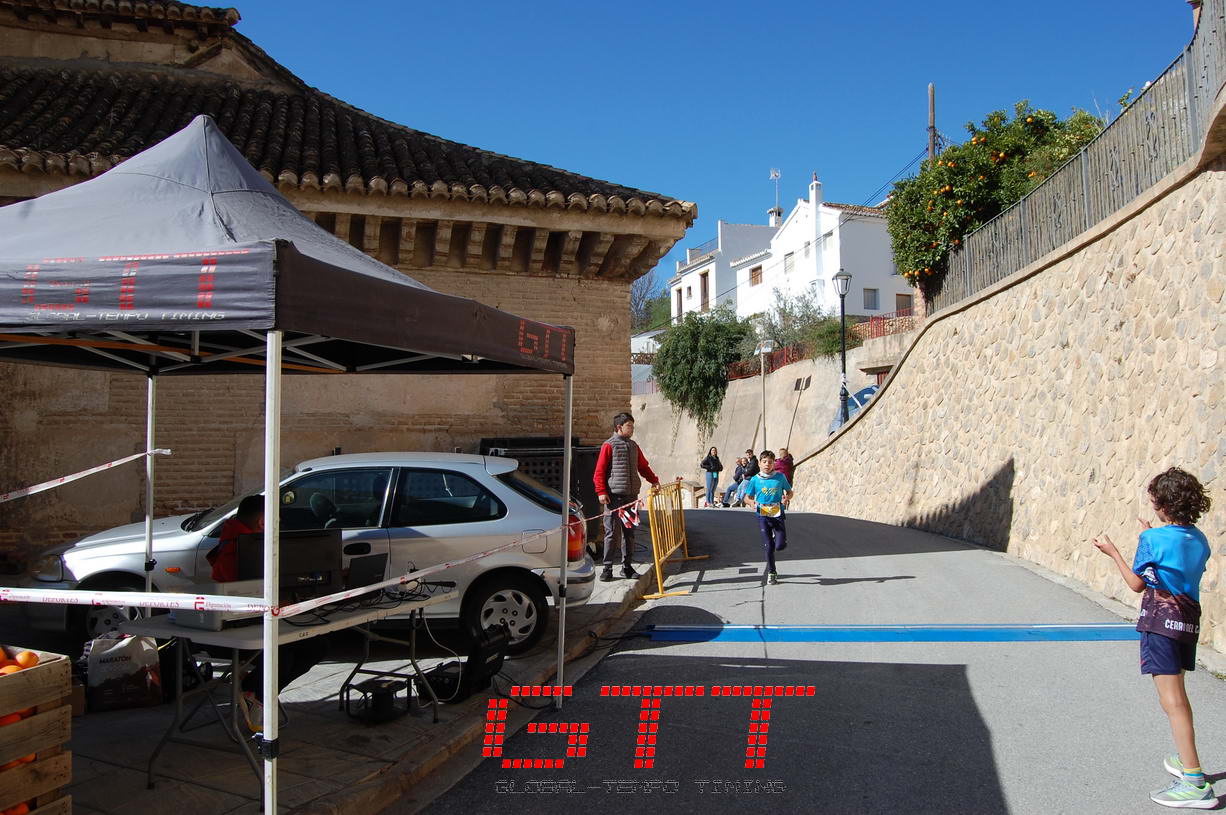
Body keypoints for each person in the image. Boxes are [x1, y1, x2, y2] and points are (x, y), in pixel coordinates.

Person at [1092, 467, 1216, 809]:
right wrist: (1152, 535)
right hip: (1187, 622)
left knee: (1172, 701)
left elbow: (1137, 584)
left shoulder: (1152, 541)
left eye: (1154, 501)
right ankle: (1186, 758)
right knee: (1177, 697)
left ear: (1163, 504)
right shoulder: (1200, 539)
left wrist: (1113, 552)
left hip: (1160, 624)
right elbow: (1177, 564)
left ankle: (1194, 782)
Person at [207, 496, 328, 731]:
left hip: (261, 619)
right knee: (282, 656)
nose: (279, 524)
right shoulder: (238, 549)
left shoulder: (251, 542)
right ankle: (257, 694)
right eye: (276, 519)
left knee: (316, 646)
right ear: (263, 522)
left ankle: (255, 690)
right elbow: (246, 594)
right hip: (235, 627)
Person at [593, 412, 660, 581]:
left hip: (631, 497)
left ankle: (627, 567)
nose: (632, 429)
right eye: (629, 426)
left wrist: (654, 480)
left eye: (632, 426)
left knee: (629, 533)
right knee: (611, 533)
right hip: (614, 498)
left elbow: (643, 467)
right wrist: (601, 492)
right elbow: (599, 471)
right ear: (619, 427)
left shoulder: (634, 446)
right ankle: (607, 568)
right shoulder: (609, 445)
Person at [744, 450, 793, 585]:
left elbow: (790, 492)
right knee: (769, 545)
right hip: (762, 514)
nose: (767, 464)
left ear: (774, 464)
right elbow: (747, 497)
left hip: (777, 513)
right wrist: (751, 503)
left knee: (780, 546)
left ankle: (779, 539)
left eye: (770, 462)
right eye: (764, 462)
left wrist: (786, 498)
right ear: (759, 463)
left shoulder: (780, 477)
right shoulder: (755, 479)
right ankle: (772, 572)